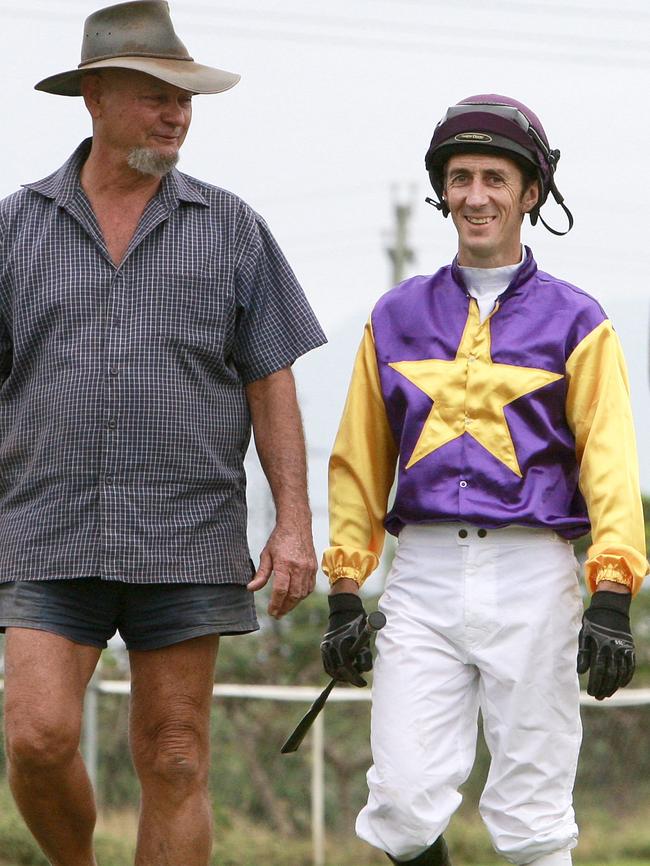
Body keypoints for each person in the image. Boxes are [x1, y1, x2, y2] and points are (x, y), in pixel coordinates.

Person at [0, 2, 326, 864]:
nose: (176, 112)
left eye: (185, 96)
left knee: (175, 756)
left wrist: (293, 522)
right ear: (94, 98)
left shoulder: (232, 229)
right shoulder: (14, 227)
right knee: (35, 736)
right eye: (154, 93)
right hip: (42, 529)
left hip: (186, 534)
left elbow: (272, 378)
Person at [319, 94, 647, 866]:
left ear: (530, 192)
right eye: (459, 178)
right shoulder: (394, 315)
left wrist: (613, 592)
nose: (475, 196)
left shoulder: (579, 321)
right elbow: (358, 459)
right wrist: (342, 588)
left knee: (534, 819)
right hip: (423, 573)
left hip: (534, 574)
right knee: (399, 808)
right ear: (442, 190)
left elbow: (610, 462)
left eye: (494, 178)